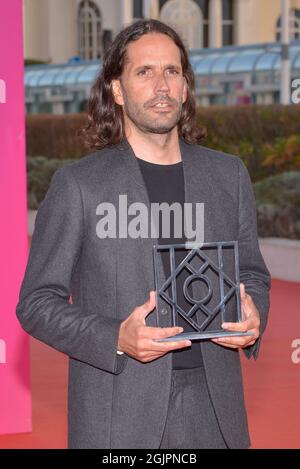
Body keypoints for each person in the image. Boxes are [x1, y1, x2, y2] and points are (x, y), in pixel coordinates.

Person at [16, 19, 270, 449]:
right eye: (144, 72)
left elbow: (253, 273)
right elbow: (37, 303)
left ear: (186, 87)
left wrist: (253, 318)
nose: (162, 85)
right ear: (116, 89)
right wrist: (115, 336)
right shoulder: (80, 186)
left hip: (216, 414)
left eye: (172, 71)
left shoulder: (228, 175)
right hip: (119, 416)